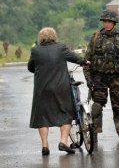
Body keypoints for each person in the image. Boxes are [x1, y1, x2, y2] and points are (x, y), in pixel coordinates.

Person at [27, 27, 89, 155]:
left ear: (41, 38)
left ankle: (45, 146)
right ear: (54, 37)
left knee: (42, 116)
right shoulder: (61, 48)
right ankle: (63, 141)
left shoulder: (35, 50)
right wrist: (84, 62)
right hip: (60, 87)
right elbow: (74, 57)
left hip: (42, 88)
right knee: (66, 113)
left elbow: (31, 67)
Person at [83, 9, 119, 142]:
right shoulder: (95, 38)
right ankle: (94, 131)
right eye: (105, 21)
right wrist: (88, 77)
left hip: (117, 77)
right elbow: (87, 60)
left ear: (114, 22)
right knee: (97, 105)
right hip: (99, 77)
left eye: (109, 21)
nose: (107, 24)